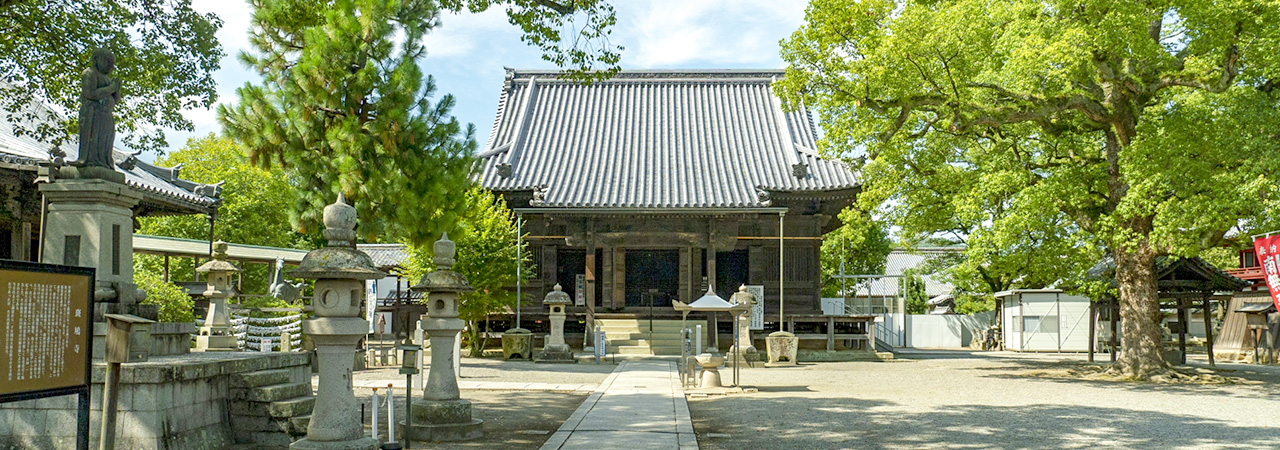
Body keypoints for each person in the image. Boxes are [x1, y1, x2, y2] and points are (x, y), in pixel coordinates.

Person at [76, 48, 121, 169]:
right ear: (96, 59)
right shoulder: (89, 73)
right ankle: (90, 160)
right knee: (93, 139)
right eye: (107, 61)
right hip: (93, 113)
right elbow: (91, 93)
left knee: (106, 141)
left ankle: (104, 161)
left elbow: (115, 101)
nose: (111, 66)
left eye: (112, 63)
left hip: (106, 115)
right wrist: (111, 88)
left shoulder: (107, 79)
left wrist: (117, 90)